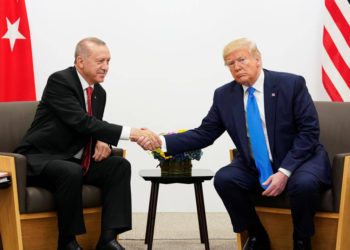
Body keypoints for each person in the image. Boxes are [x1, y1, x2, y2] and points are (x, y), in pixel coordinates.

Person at [138, 38, 331, 250]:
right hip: (256, 164)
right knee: (225, 179)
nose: (237, 67)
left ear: (257, 60)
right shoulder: (224, 95)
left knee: (302, 184)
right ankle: (257, 237)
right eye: (230, 63)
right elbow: (204, 134)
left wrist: (285, 171)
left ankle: (302, 240)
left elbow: (309, 132)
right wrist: (160, 142)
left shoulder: (290, 84)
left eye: (242, 60)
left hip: (300, 160)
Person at [15, 37, 161, 250]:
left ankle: (108, 240)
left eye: (108, 61)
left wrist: (103, 141)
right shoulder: (60, 81)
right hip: (42, 158)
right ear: (80, 62)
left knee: (119, 166)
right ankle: (67, 242)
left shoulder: (99, 93)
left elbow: (92, 126)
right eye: (100, 61)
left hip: (74, 159)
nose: (106, 67)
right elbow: (81, 121)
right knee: (70, 171)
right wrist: (133, 133)